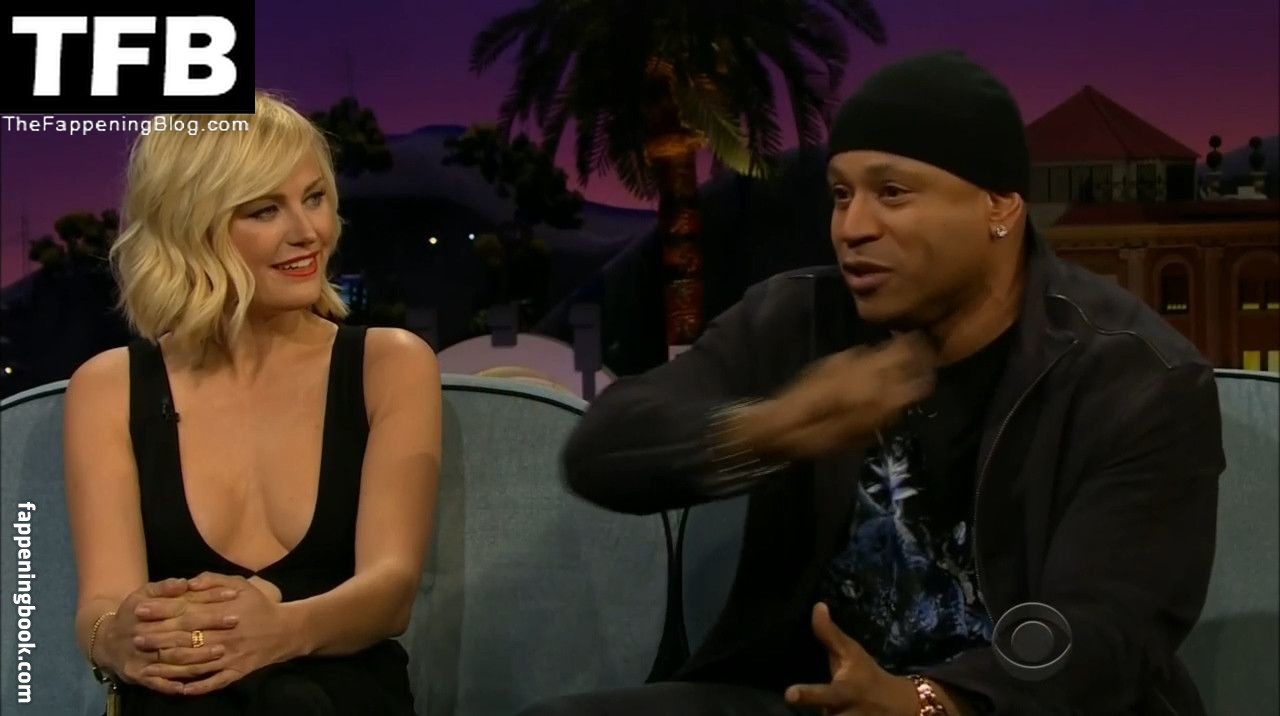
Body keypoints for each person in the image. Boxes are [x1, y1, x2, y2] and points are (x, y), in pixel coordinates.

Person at [525, 51, 1224, 715]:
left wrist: (928, 701)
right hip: (806, 697)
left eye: (892, 193)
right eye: (840, 195)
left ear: (1000, 207)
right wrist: (771, 426)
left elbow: (1104, 631)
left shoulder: (1134, 377)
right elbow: (602, 451)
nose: (851, 228)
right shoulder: (796, 321)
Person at [64, 92, 442, 715]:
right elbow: (102, 603)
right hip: (185, 696)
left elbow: (391, 590)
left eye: (314, 198)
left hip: (341, 696)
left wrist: (280, 631)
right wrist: (116, 639)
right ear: (192, 226)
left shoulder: (390, 365)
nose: (308, 232)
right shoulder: (108, 388)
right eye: (266, 210)